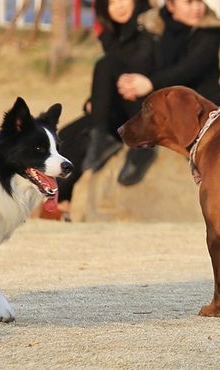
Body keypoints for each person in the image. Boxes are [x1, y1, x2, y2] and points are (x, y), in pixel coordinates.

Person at [52, 0, 157, 221]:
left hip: (142, 105)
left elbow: (139, 66)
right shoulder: (112, 34)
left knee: (104, 65)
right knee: (66, 135)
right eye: (112, 3)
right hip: (120, 105)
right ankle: (62, 202)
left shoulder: (150, 27)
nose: (119, 6)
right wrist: (96, 99)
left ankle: (100, 139)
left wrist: (116, 90)